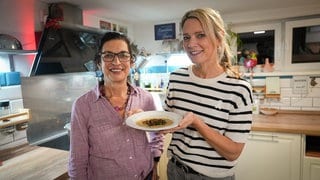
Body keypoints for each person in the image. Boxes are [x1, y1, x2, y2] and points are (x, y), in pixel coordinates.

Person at [161, 8, 253, 180]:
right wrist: (143, 115)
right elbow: (167, 121)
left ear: (218, 38)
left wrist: (198, 123)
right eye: (186, 37)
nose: (190, 43)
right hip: (175, 170)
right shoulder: (177, 78)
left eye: (200, 35)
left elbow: (233, 153)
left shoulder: (238, 89)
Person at [68, 32, 163, 180]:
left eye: (123, 55)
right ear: (99, 62)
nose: (116, 62)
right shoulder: (83, 106)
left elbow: (156, 135)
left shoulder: (146, 98)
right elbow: (78, 158)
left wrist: (156, 163)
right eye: (108, 55)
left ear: (131, 62)